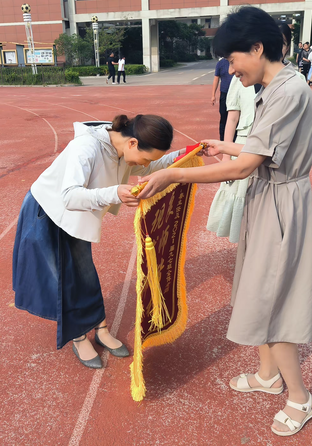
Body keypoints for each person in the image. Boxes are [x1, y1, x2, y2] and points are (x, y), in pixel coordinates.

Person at [138, 6, 312, 437]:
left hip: (281, 203)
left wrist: (173, 174)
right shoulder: (273, 86)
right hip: (267, 197)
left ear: (257, 48)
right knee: (257, 292)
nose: (230, 69)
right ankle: (267, 375)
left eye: (233, 59)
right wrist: (227, 145)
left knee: (273, 302)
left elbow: (247, 167)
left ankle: (300, 397)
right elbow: (257, 152)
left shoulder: (289, 91)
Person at [13, 114, 185, 369]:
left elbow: (149, 167)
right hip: (48, 213)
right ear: (133, 144)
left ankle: (100, 328)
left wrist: (187, 153)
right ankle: (79, 335)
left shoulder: (121, 147)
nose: (146, 164)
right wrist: (114, 192)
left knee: (85, 272)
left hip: (76, 215)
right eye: (146, 156)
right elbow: (69, 196)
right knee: (64, 278)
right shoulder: (86, 147)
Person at [207, 74, 256, 243]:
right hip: (242, 143)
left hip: (269, 146)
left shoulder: (291, 78)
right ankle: (245, 245)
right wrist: (226, 156)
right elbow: (232, 119)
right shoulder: (239, 79)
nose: (231, 69)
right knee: (240, 199)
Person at [212, 57, 234, 141]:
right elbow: (216, 79)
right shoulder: (220, 63)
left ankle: (234, 139)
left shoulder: (238, 60)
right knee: (223, 116)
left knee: (236, 116)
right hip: (224, 93)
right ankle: (222, 139)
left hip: (236, 93)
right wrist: (213, 95)